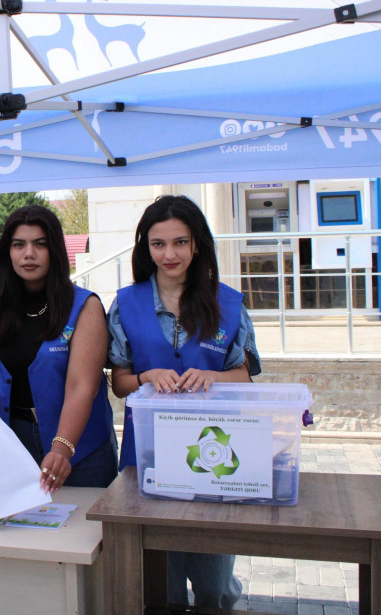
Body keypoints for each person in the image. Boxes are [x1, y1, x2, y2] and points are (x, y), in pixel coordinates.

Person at [107, 195, 261, 610]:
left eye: (180, 242)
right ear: (146, 248)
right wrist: (145, 376)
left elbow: (245, 375)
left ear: (197, 246)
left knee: (214, 584)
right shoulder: (125, 304)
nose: (169, 254)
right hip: (148, 456)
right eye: (158, 244)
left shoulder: (228, 304)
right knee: (161, 584)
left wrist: (213, 376)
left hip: (216, 457)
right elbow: (119, 382)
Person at [0, 206, 117, 492]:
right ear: (7, 252)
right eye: (18, 245)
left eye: (40, 244)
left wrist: (62, 448)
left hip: (81, 448)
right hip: (16, 444)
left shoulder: (85, 307)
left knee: (83, 533)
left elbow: (81, 387)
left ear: (55, 251)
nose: (29, 253)